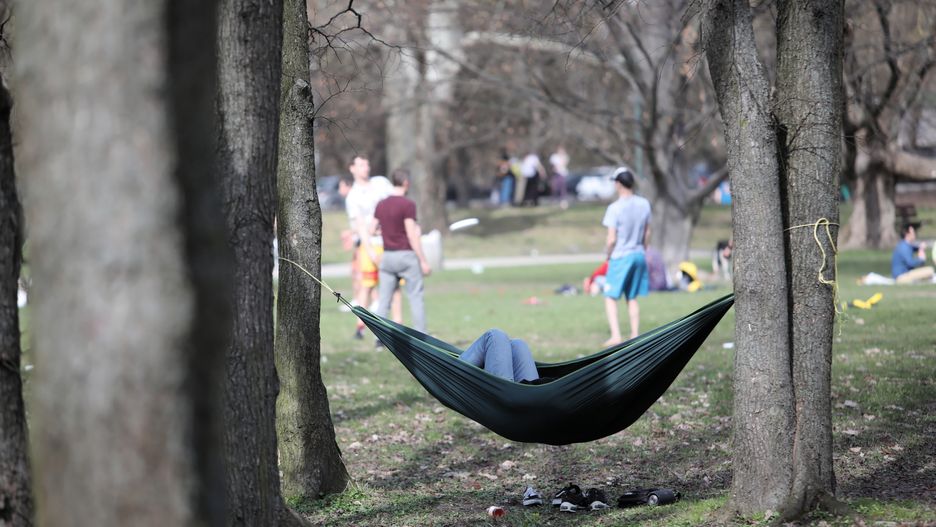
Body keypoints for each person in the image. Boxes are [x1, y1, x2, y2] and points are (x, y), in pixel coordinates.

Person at [371, 168, 433, 334]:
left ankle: (379, 338)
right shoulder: (408, 205)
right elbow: (412, 236)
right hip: (406, 256)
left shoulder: (381, 204)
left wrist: (384, 231)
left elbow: (372, 229)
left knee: (384, 300)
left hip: (388, 257)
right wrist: (423, 260)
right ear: (406, 182)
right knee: (415, 297)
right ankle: (421, 336)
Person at [345, 155, 397, 339]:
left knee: (393, 285)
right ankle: (360, 326)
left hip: (389, 241)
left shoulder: (381, 183)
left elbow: (396, 202)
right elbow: (357, 226)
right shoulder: (353, 196)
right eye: (361, 164)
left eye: (367, 163)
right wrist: (369, 249)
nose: (366, 167)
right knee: (366, 286)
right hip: (369, 245)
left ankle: (395, 326)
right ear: (352, 168)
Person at [601, 166, 651, 345]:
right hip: (638, 254)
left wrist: (608, 255)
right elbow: (647, 233)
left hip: (621, 256)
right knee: (632, 297)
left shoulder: (614, 208)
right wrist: (643, 250)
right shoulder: (644, 204)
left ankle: (615, 335)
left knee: (610, 296)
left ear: (618, 184)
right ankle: (635, 333)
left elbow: (611, 239)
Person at [459, 329, 539, 383]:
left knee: (495, 335)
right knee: (518, 344)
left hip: (502, 394)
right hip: (533, 396)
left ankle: (452, 373)